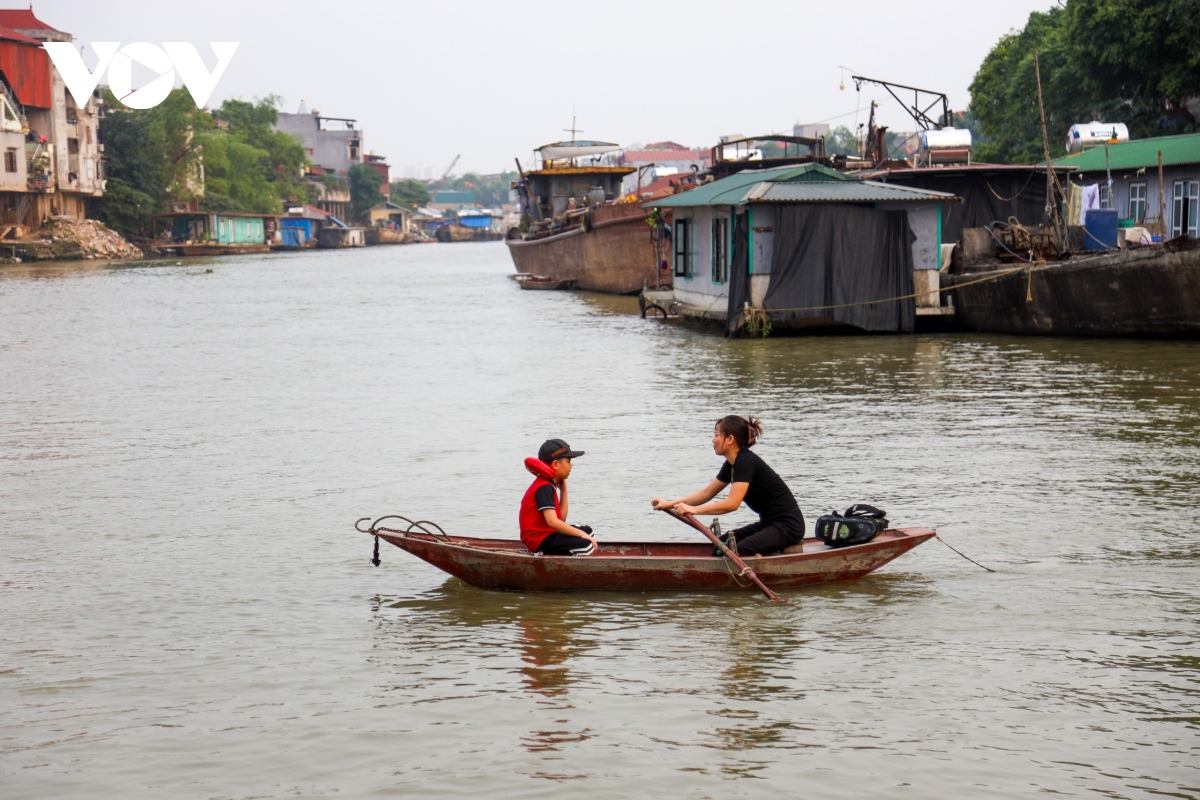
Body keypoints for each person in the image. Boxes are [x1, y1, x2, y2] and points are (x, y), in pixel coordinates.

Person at [651, 416, 804, 557]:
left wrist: (694, 510)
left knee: (738, 550)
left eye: (716, 435)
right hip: (768, 524)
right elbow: (707, 492)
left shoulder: (745, 461)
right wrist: (669, 504)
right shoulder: (731, 465)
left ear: (730, 439)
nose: (713, 440)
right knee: (722, 543)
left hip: (788, 526)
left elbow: (732, 504)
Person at [519, 438, 597, 556]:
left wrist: (564, 491)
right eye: (568, 461)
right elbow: (552, 522)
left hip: (548, 534)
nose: (571, 466)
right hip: (540, 540)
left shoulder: (548, 484)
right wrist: (581, 535)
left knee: (587, 531)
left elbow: (561, 520)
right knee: (586, 546)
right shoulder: (543, 487)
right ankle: (544, 553)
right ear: (555, 464)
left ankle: (561, 552)